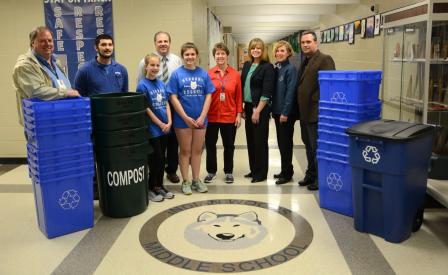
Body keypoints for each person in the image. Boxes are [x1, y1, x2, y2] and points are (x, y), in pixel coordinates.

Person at [166, 42, 215, 195]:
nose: (190, 57)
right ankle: (185, 181)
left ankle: (196, 180)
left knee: (197, 151)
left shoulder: (203, 74)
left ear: (197, 56)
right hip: (182, 121)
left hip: (201, 120)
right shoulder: (176, 75)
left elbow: (208, 96)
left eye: (192, 54)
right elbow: (173, 97)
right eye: (187, 54)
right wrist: (185, 117)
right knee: (185, 150)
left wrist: (202, 116)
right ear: (183, 56)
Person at [137, 31, 183, 184]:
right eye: (160, 41)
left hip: (172, 102)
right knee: (157, 148)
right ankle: (156, 176)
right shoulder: (144, 62)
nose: (163, 44)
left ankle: (171, 171)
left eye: (166, 41)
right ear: (155, 43)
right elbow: (141, 85)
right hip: (152, 104)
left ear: (170, 42)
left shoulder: (177, 60)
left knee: (172, 140)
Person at [13, 26, 79, 125]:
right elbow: (36, 91)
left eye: (50, 40)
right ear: (32, 43)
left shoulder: (56, 61)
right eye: (42, 41)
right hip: (42, 124)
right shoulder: (25, 65)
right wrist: (66, 93)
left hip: (63, 118)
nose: (47, 44)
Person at [296, 31, 335, 191]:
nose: (305, 45)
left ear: (316, 43)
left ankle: (320, 178)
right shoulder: (305, 61)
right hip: (304, 113)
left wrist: (315, 99)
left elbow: (329, 84)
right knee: (308, 145)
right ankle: (310, 174)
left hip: (315, 112)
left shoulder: (324, 59)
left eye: (308, 42)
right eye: (303, 42)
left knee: (317, 147)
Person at [136, 53, 174, 202]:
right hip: (153, 129)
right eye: (152, 65)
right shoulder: (142, 85)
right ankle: (152, 187)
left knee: (162, 158)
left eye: (157, 65)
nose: (155, 68)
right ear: (146, 66)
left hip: (165, 127)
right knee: (155, 159)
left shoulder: (161, 84)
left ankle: (160, 185)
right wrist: (160, 124)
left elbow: (166, 103)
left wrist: (169, 122)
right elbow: (147, 109)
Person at [204, 42, 242, 184]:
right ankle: (211, 171)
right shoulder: (208, 74)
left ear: (227, 56)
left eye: (222, 53)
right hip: (211, 116)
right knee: (210, 145)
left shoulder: (235, 74)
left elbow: (239, 96)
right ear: (214, 56)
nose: (220, 56)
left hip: (229, 116)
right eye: (217, 54)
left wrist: (238, 114)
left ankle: (228, 172)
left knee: (229, 145)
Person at [241, 38, 275, 183]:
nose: (256, 50)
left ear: (263, 50)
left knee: (260, 141)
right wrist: (243, 108)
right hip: (248, 107)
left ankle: (260, 174)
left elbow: (267, 92)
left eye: (258, 48)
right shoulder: (247, 65)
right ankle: (254, 169)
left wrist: (257, 111)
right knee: (251, 140)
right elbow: (244, 86)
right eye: (253, 48)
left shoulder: (268, 67)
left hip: (260, 108)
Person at [272, 41, 298, 185]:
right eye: (277, 51)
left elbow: (290, 92)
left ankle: (287, 173)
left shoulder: (290, 69)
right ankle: (285, 169)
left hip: (285, 114)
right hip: (277, 112)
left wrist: (285, 112)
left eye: (282, 51)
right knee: (281, 143)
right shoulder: (277, 68)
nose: (279, 53)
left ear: (288, 53)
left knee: (286, 143)